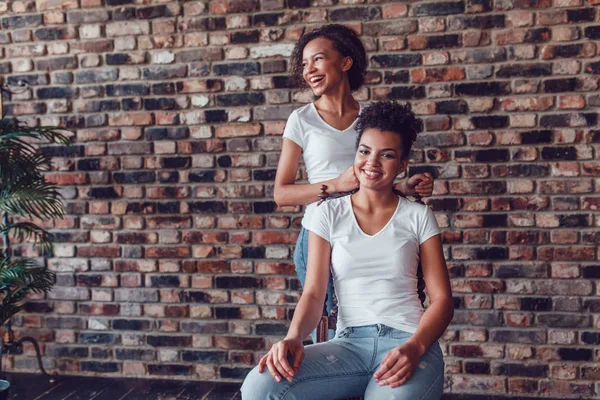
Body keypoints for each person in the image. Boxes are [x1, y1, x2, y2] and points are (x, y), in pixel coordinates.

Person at [241, 100, 454, 400]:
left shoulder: (417, 216)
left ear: (403, 164)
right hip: (349, 346)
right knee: (260, 385)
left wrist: (416, 346)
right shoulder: (327, 214)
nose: (372, 163)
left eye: (387, 155)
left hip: (408, 341)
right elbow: (314, 293)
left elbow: (443, 300)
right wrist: (293, 337)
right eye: (365, 151)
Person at [274, 24, 434, 340]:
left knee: (374, 313)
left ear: (345, 62)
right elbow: (281, 193)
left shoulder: (371, 118)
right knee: (328, 320)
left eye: (318, 59)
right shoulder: (301, 120)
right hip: (321, 231)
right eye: (305, 64)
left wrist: (402, 187)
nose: (309, 70)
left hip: (369, 227)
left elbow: (371, 176)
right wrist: (335, 184)